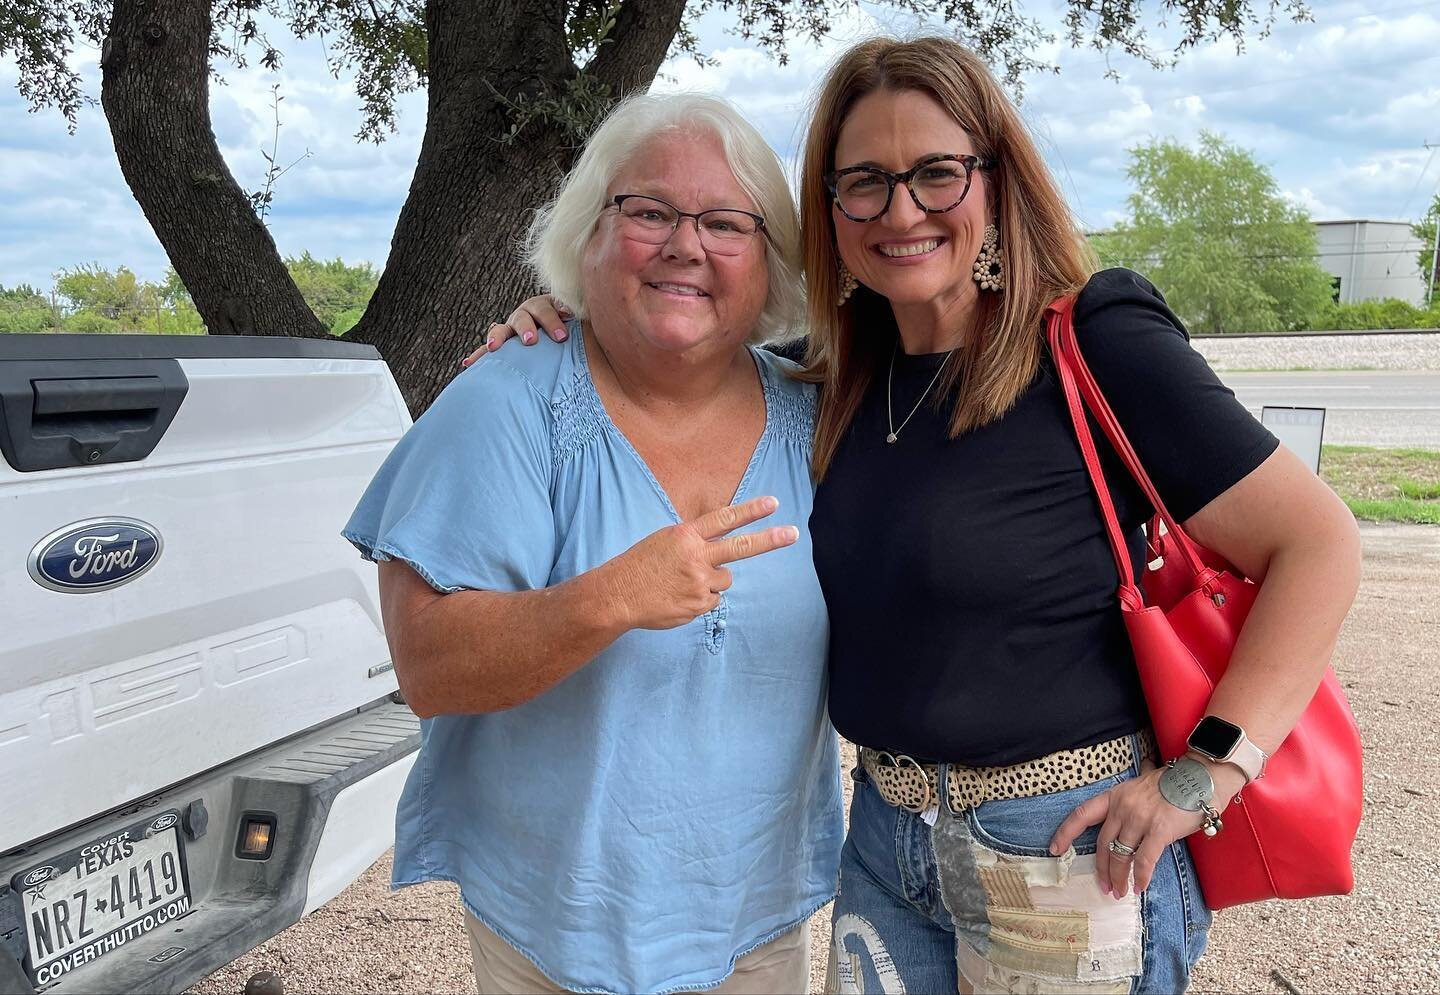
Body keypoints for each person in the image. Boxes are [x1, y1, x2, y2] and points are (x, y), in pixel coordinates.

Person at [476, 36, 1361, 995]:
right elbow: (680, 350)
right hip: (886, 845)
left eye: (936, 173)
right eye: (864, 182)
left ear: (995, 178)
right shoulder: (834, 380)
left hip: (1061, 848)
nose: (902, 211)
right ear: (829, 208)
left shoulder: (1095, 343)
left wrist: (1205, 775)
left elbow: (1316, 542)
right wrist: (563, 319)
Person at [344, 92, 843, 995]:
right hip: (555, 935)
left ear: (770, 264)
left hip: (753, 928)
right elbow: (428, 666)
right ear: (589, 234)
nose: (685, 245)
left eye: (726, 223)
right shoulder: (509, 402)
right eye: (648, 211)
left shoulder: (818, 415)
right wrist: (610, 597)